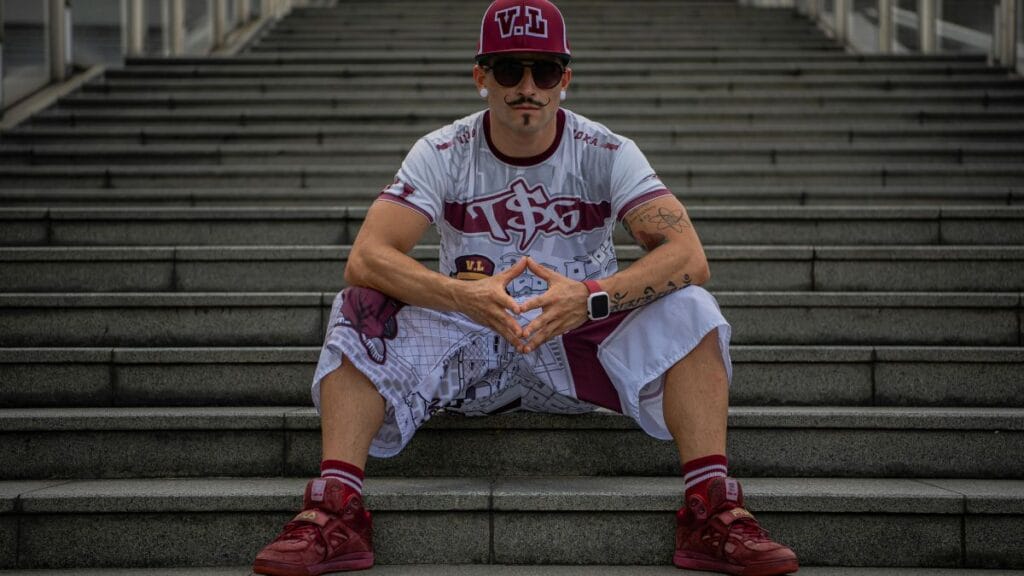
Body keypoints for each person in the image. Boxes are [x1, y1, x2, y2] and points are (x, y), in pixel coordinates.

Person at [252, 1, 799, 575]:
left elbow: (688, 255)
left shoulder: (606, 150)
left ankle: (710, 511)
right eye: (510, 70)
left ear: (565, 78)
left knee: (693, 306)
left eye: (544, 70)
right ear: (481, 76)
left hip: (578, 341)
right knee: (359, 306)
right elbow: (366, 256)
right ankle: (336, 511)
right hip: (470, 341)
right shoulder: (443, 151)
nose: (527, 87)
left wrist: (590, 297)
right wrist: (461, 296)